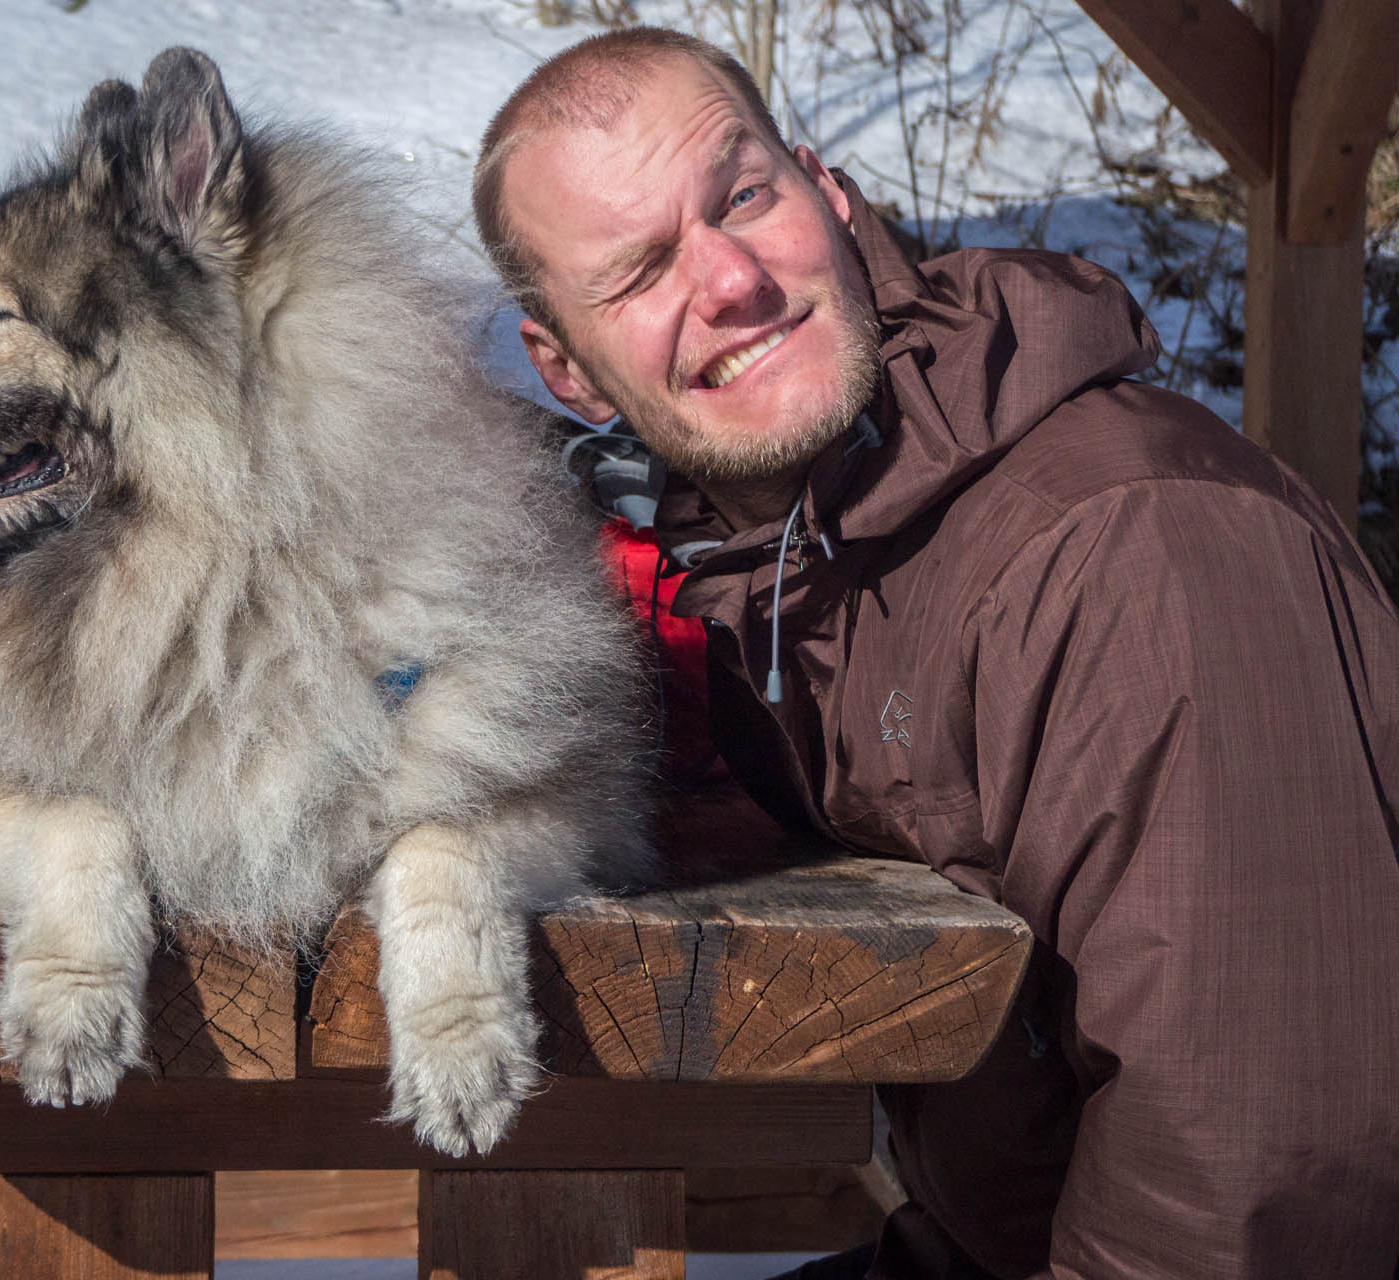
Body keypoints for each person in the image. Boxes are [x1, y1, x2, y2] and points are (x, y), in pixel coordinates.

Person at [474, 26, 1399, 1279]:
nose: (731, 277)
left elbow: (1267, 1176)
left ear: (831, 194)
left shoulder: (1137, 550)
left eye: (744, 196)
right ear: (565, 368)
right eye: (639, 272)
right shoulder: (796, 569)